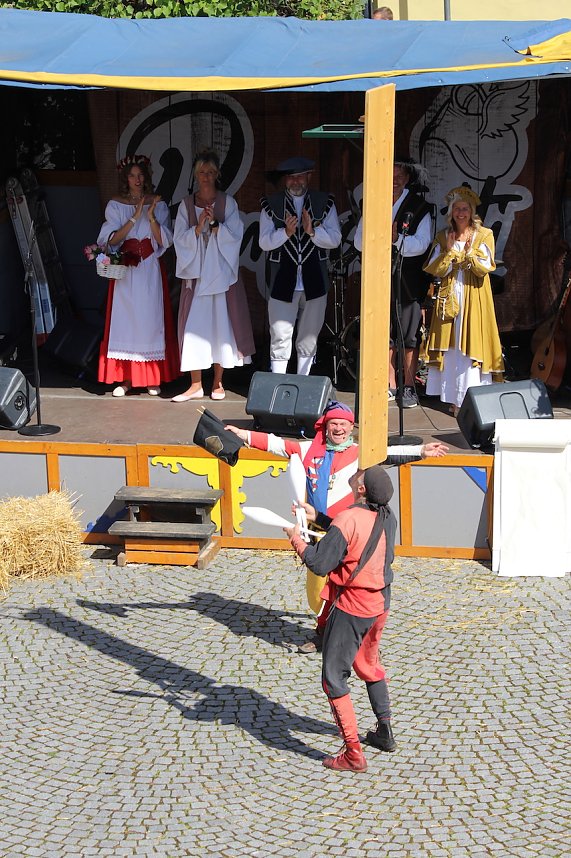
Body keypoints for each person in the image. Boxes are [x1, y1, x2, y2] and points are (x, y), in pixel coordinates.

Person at [227, 401, 448, 653]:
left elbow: (389, 452)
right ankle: (324, 629)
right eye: (334, 423)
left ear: (350, 427)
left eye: (343, 424)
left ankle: (337, 635)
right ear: (326, 426)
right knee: (318, 589)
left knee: (344, 585)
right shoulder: (308, 449)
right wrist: (243, 434)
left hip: (348, 533)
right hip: (316, 530)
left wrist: (421, 450)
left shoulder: (359, 453)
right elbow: (275, 443)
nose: (339, 429)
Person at [284, 464, 397, 772]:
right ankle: (384, 731)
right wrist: (317, 518)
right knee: (368, 665)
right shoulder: (387, 516)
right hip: (379, 605)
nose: (359, 471)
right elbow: (356, 538)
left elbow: (320, 564)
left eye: (362, 474)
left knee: (333, 677)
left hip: (353, 607)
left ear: (361, 489)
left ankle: (352, 753)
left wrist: (296, 539)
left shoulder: (349, 518)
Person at [172, 149, 255, 402]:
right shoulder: (186, 205)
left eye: (210, 172)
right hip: (197, 275)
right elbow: (179, 239)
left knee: (221, 327)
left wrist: (216, 224)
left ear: (216, 174)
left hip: (219, 274)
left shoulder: (227, 202)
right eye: (201, 172)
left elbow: (235, 234)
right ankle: (195, 384)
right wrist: (198, 228)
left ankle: (218, 383)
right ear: (196, 175)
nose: (205, 176)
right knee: (194, 328)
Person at [97, 154, 179, 397]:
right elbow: (111, 241)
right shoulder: (116, 205)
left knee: (150, 320)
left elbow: (165, 240)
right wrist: (135, 215)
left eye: (140, 174)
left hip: (150, 268)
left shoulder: (159, 204)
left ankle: (152, 377)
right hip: (126, 271)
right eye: (132, 175)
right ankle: (126, 379)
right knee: (126, 323)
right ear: (126, 178)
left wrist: (151, 215)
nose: (137, 179)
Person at [354, 160, 432, 408]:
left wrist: (395, 239)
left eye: (400, 176)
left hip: (408, 281)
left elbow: (421, 245)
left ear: (408, 179)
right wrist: (379, 240)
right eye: (391, 175)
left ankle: (408, 387)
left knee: (408, 338)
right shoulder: (373, 202)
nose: (395, 180)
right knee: (382, 336)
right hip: (378, 278)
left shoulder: (420, 207)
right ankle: (388, 385)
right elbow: (358, 241)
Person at [422, 185, 505, 416]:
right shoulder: (443, 235)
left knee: (471, 346)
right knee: (452, 348)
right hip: (449, 296)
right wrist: (449, 252)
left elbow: (485, 266)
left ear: (472, 211)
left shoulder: (484, 234)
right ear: (451, 212)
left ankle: (472, 399)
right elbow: (434, 267)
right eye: (457, 208)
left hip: (474, 296)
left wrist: (466, 255)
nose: (461, 213)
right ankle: (454, 399)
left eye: (465, 209)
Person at [259, 156, 342, 376]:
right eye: (291, 178)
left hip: (315, 279)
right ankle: (278, 384)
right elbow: (264, 242)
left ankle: (302, 384)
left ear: (309, 177)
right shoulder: (271, 204)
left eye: (300, 177)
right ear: (285, 180)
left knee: (309, 335)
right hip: (281, 279)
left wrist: (312, 232)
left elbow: (335, 239)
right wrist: (285, 233)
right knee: (280, 333)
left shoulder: (325, 202)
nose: (296, 182)